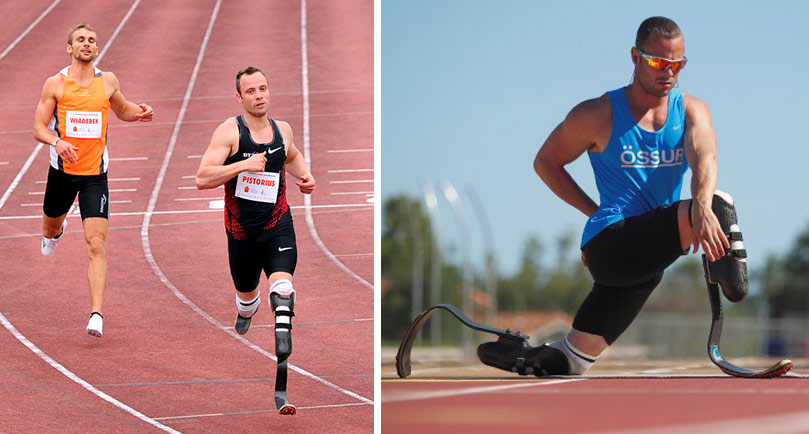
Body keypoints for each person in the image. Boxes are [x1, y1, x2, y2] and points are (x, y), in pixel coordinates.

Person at [478, 16, 748, 376]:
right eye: (658, 62)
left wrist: (699, 203)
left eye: (677, 64)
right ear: (635, 57)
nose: (668, 72)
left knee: (570, 362)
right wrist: (593, 212)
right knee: (718, 206)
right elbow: (546, 163)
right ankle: (733, 284)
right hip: (612, 243)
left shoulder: (691, 110)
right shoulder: (597, 114)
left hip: (646, 261)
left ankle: (523, 354)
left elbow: (705, 158)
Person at [34, 23, 154, 337]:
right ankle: (56, 232)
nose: (87, 44)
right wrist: (57, 142)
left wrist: (139, 113)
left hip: (94, 178)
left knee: (96, 244)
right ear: (70, 48)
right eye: (81, 40)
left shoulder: (108, 81)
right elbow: (38, 128)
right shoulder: (55, 84)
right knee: (50, 227)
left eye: (92, 41)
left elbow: (123, 110)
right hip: (62, 174)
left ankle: (96, 314)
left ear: (97, 49)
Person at [195, 66, 315, 364]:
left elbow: (292, 155)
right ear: (239, 97)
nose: (259, 96)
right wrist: (241, 166)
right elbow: (202, 178)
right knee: (247, 299)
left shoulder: (282, 129)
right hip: (241, 234)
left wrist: (306, 176)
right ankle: (247, 309)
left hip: (278, 225)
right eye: (251, 91)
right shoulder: (230, 132)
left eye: (263, 88)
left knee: (283, 289)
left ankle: (283, 330)